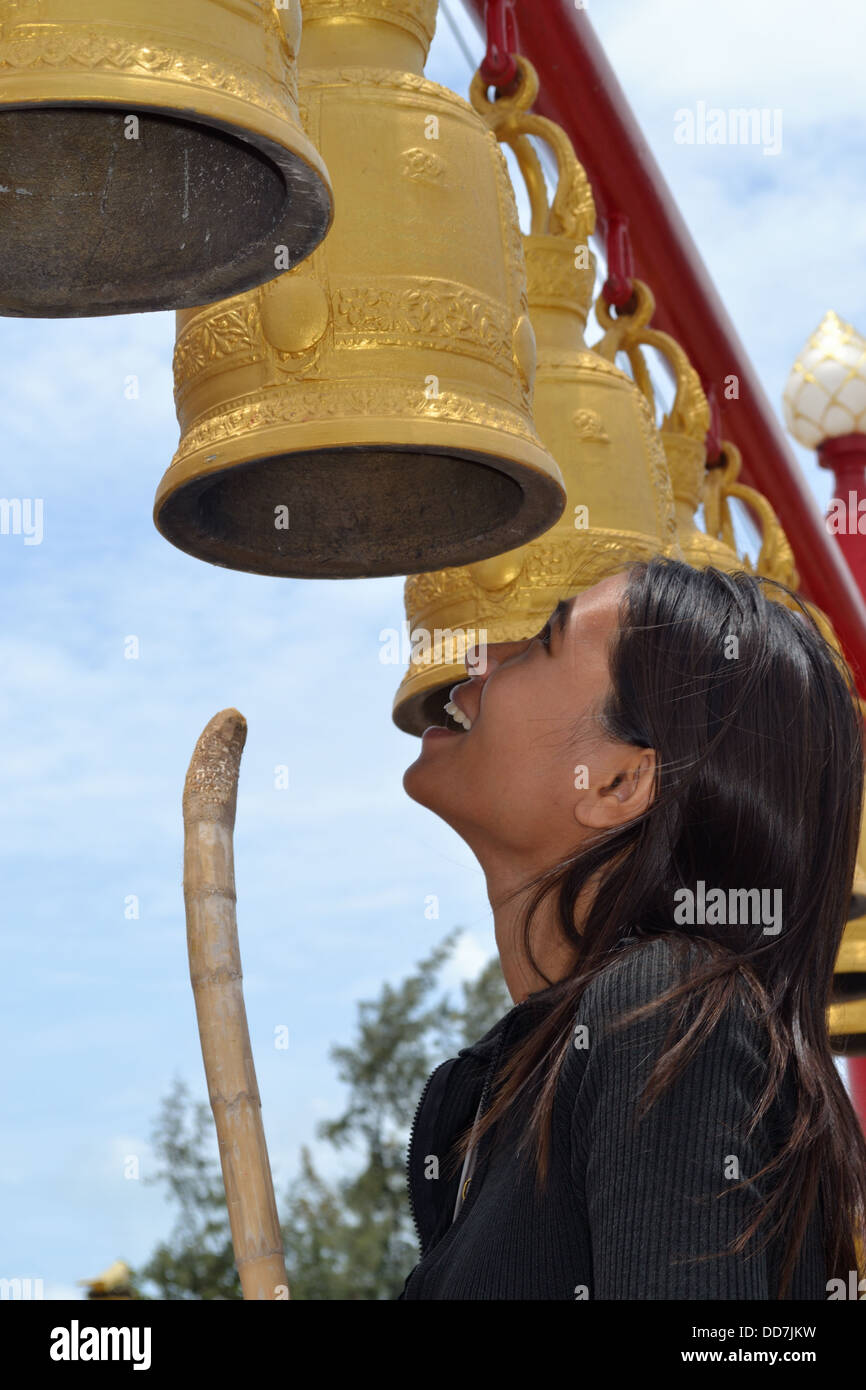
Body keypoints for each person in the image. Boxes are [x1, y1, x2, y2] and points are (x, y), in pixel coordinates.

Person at [398, 556, 866, 1300]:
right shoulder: (496, 1091)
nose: (479, 658)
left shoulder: (671, 1013)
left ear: (618, 783)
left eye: (538, 644)